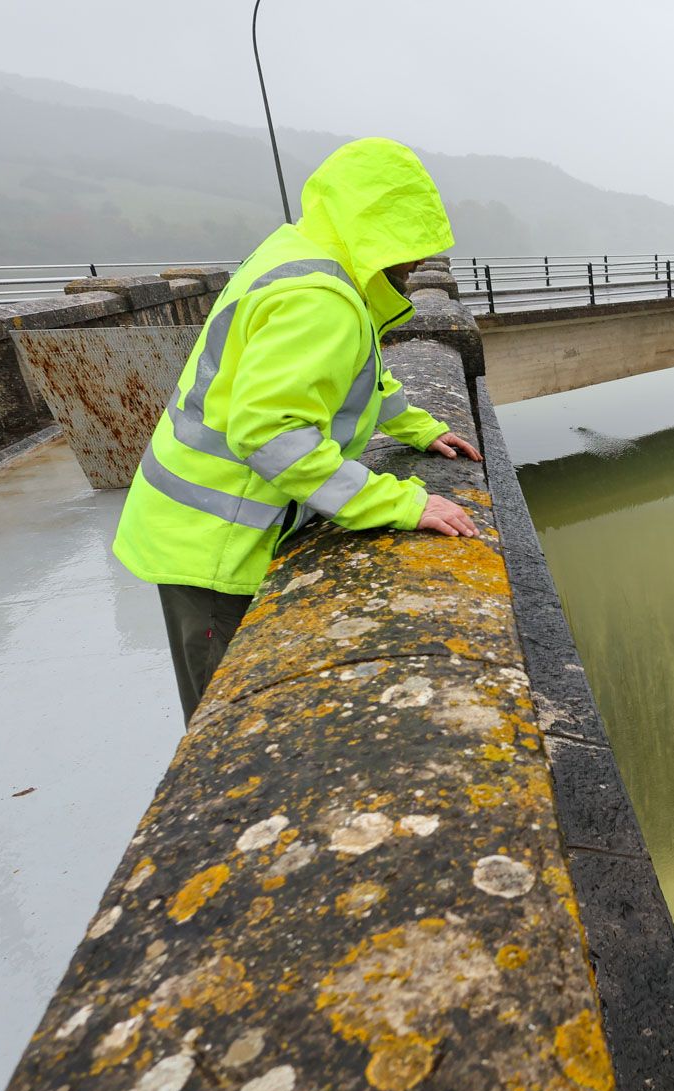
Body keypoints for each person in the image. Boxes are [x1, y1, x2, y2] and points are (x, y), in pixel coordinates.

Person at [113, 137, 482, 722]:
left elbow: (350, 375)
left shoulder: (298, 254)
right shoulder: (320, 299)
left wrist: (415, 426)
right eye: (408, 247)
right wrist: (394, 502)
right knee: (229, 723)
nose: (413, 267)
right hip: (214, 543)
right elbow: (272, 432)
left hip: (193, 519)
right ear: (378, 234)